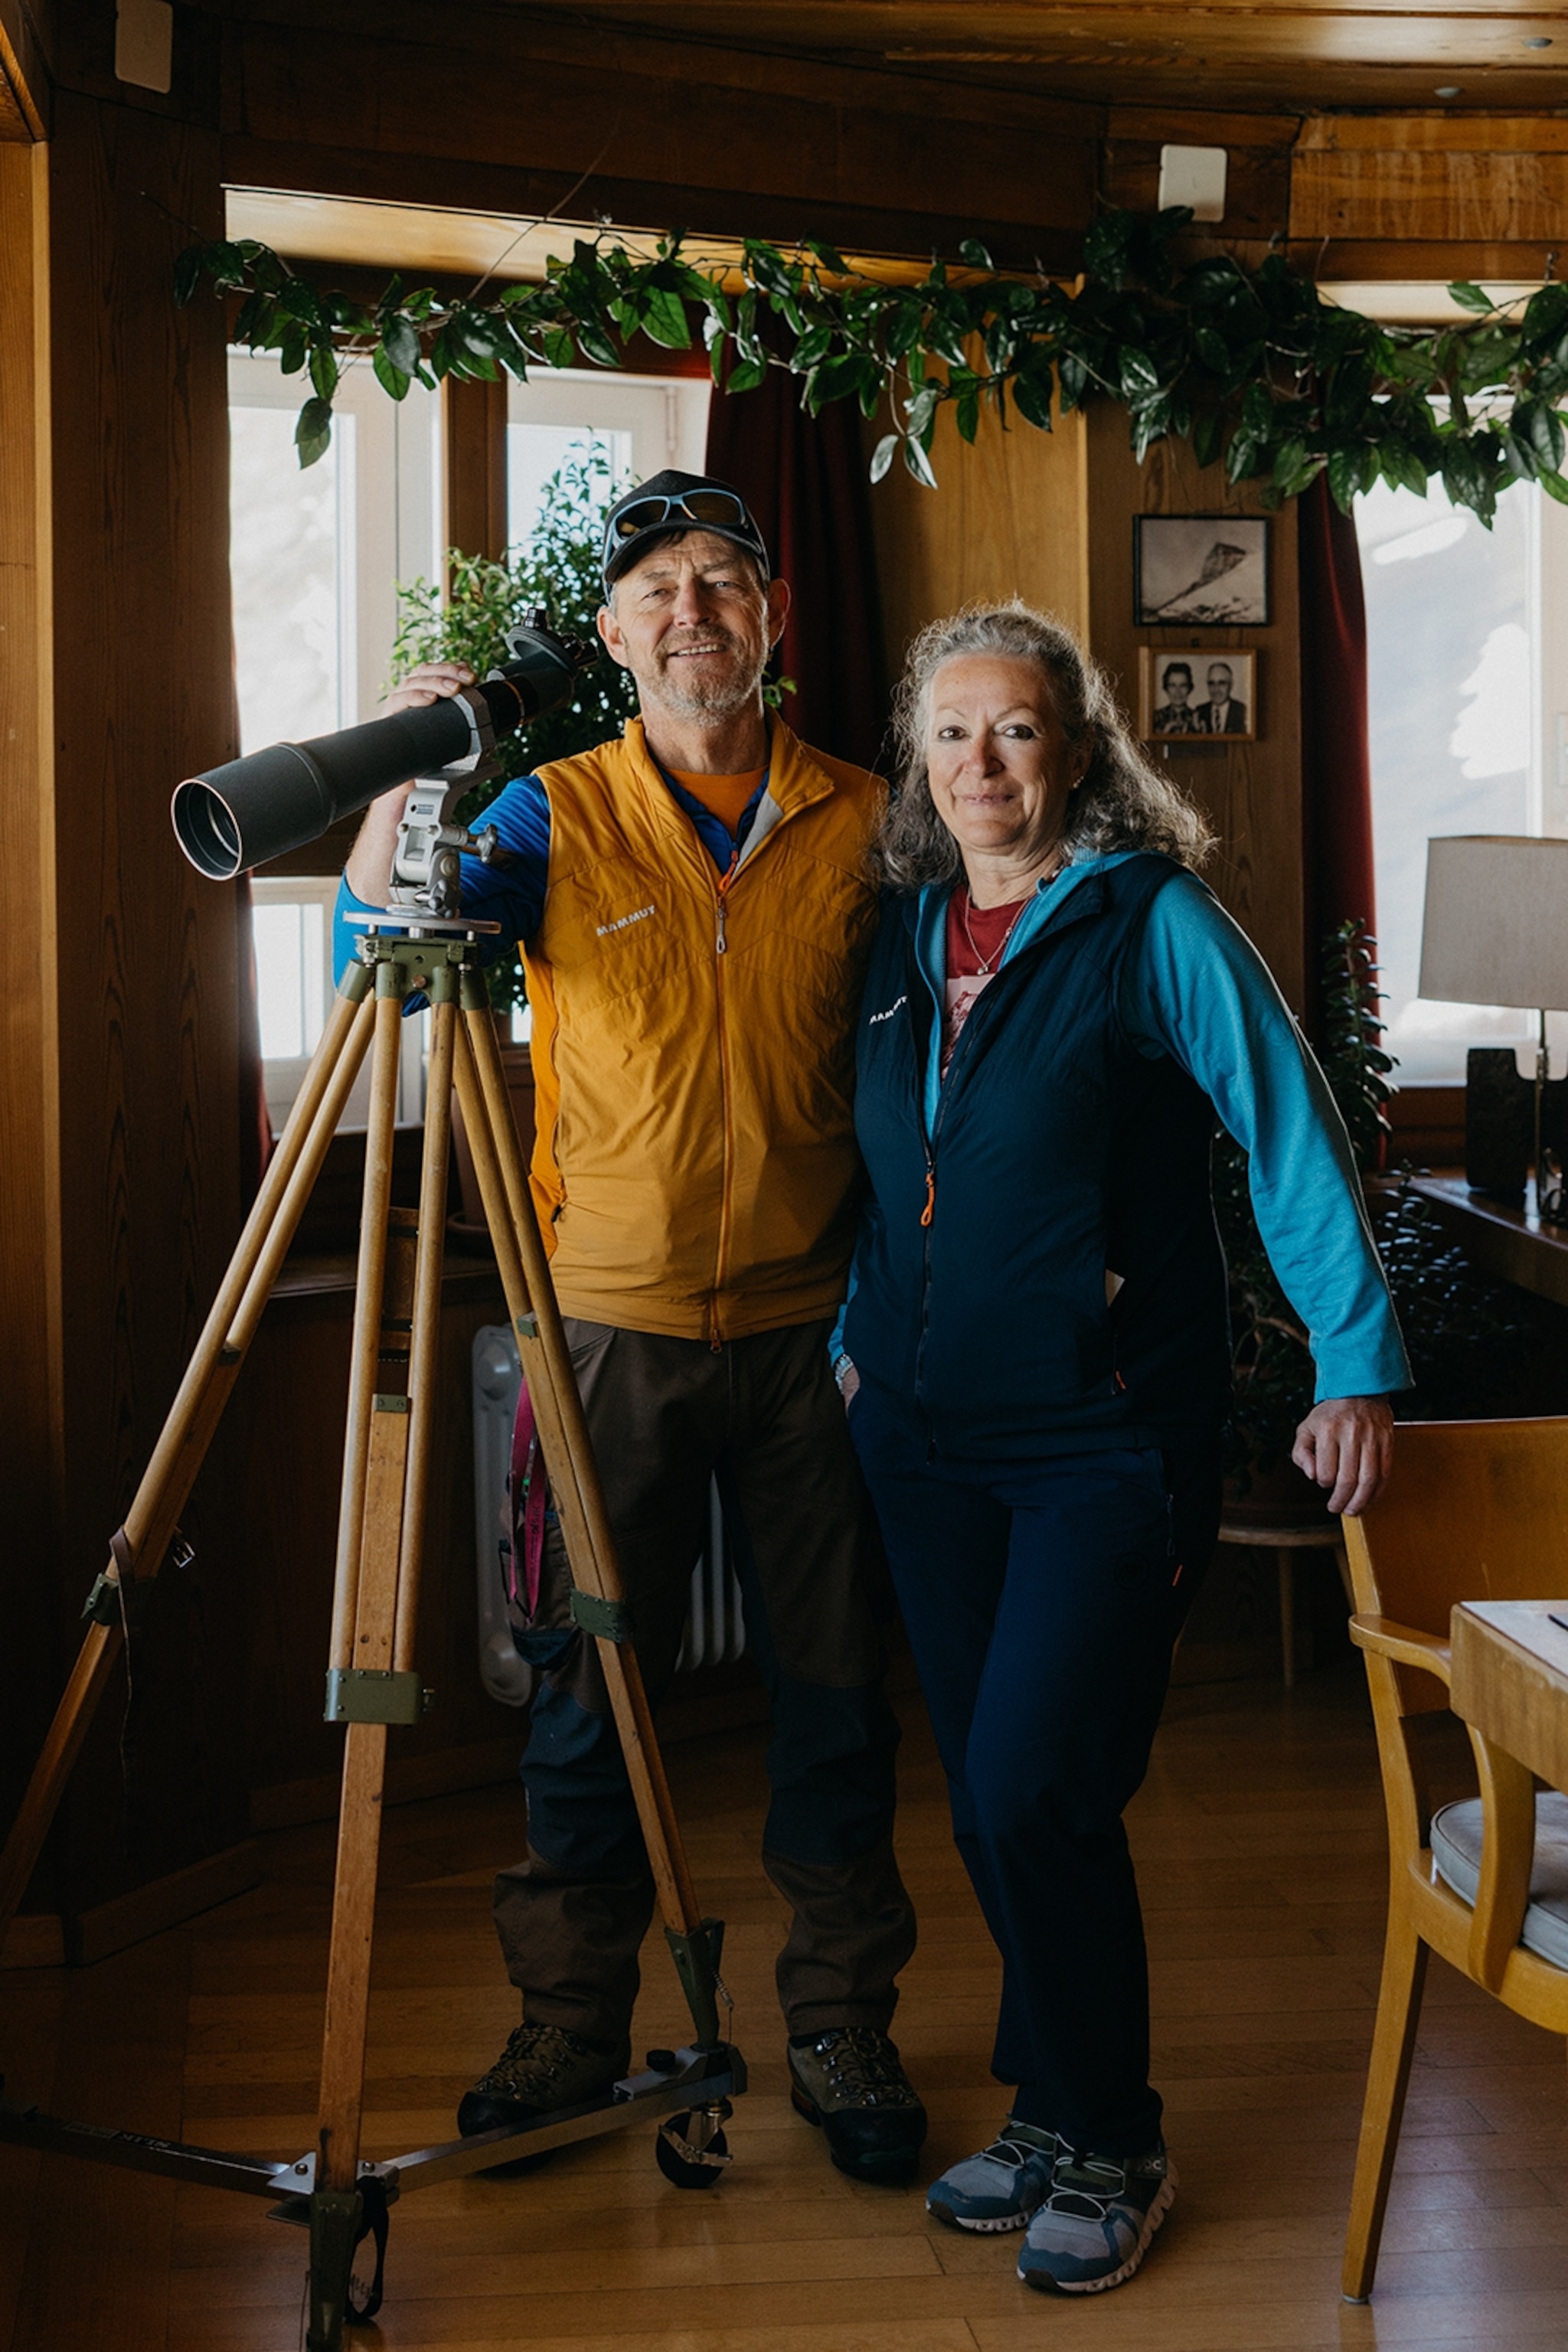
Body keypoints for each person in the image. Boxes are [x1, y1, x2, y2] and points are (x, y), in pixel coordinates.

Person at [335, 469, 926, 2185]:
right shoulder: (547, 814)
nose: (692, 611)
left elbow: (929, 1061)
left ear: (771, 622)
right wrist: (395, 766)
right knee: (588, 1694)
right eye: (659, 586)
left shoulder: (868, 818)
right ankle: (573, 2020)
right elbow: (382, 934)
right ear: (612, 634)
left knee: (835, 1699)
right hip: (608, 1330)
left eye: (723, 582)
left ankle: (838, 2022)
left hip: (821, 1334)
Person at [832, 602, 1408, 2290]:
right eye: (950, 732)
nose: (981, 762)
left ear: (1079, 752)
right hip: (923, 1444)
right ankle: (1047, 2108)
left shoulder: (1151, 921)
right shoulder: (906, 933)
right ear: (916, 762)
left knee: (1035, 1782)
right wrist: (860, 1349)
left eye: (1015, 729)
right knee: (999, 1801)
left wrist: (1352, 1360)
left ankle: (1116, 2139)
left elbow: (1287, 1127)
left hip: (1100, 1439)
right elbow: (887, 1174)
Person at [1151, 659, 1200, 735]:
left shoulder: (1197, 718)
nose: (1178, 692)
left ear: (1189, 688)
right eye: (1172, 685)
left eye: (1183, 685)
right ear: (1166, 688)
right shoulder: (1156, 718)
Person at [1198, 658, 1247, 733]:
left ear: (1231, 685)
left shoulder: (1242, 711)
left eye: (1222, 683)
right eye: (1212, 683)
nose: (1216, 689)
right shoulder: (1199, 712)